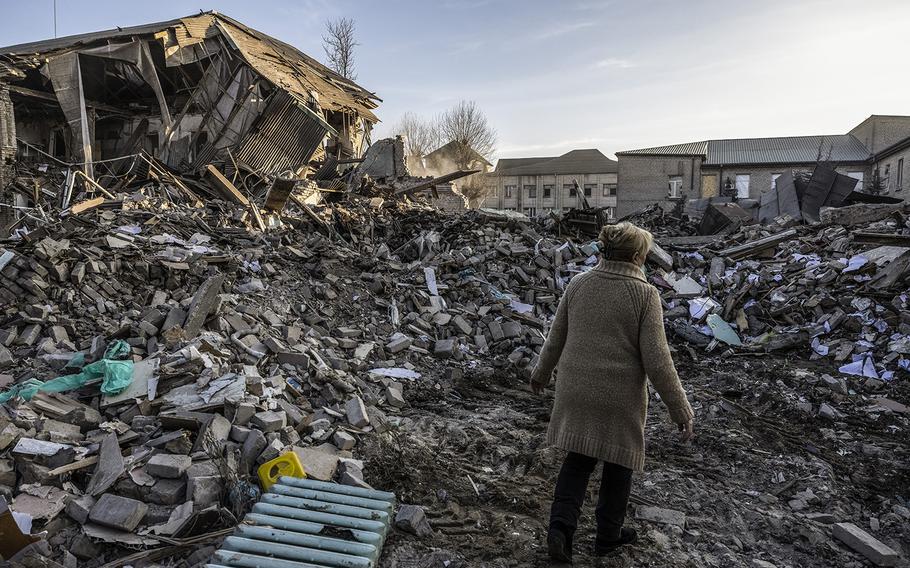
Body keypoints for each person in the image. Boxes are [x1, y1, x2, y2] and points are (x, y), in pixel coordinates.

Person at [529, 221, 695, 562]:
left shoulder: (578, 284)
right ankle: (608, 536)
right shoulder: (646, 295)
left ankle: (560, 530)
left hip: (575, 389)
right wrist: (681, 409)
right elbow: (658, 360)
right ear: (637, 257)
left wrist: (540, 374)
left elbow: (556, 336)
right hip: (620, 398)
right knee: (619, 466)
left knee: (577, 462)